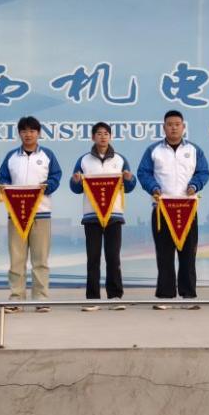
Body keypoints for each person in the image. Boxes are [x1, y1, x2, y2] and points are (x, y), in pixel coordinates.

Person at [137, 109, 209, 310]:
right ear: (164, 127)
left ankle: (188, 295)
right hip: (162, 209)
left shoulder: (194, 150)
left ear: (183, 127)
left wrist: (195, 185)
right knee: (164, 254)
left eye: (177, 124)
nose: (174, 128)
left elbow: (204, 172)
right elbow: (143, 173)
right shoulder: (153, 150)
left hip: (187, 208)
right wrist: (153, 187)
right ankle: (165, 295)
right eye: (170, 124)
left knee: (188, 254)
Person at [0, 116, 62, 313]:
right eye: (24, 131)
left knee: (40, 259)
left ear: (38, 133)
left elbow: (56, 176)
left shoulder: (47, 155)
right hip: (16, 214)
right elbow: (2, 178)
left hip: (41, 213)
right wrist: (4, 186)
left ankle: (41, 298)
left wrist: (48, 186)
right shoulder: (11, 157)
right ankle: (16, 298)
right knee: (17, 259)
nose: (28, 134)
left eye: (32, 131)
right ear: (19, 133)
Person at [69, 122, 137, 311]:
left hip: (114, 216)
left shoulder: (120, 160)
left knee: (113, 258)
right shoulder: (84, 160)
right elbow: (75, 187)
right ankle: (92, 298)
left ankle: (115, 296)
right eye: (99, 133)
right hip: (91, 216)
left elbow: (130, 187)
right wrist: (75, 181)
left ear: (110, 136)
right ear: (93, 137)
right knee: (93, 258)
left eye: (106, 133)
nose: (103, 137)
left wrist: (129, 179)